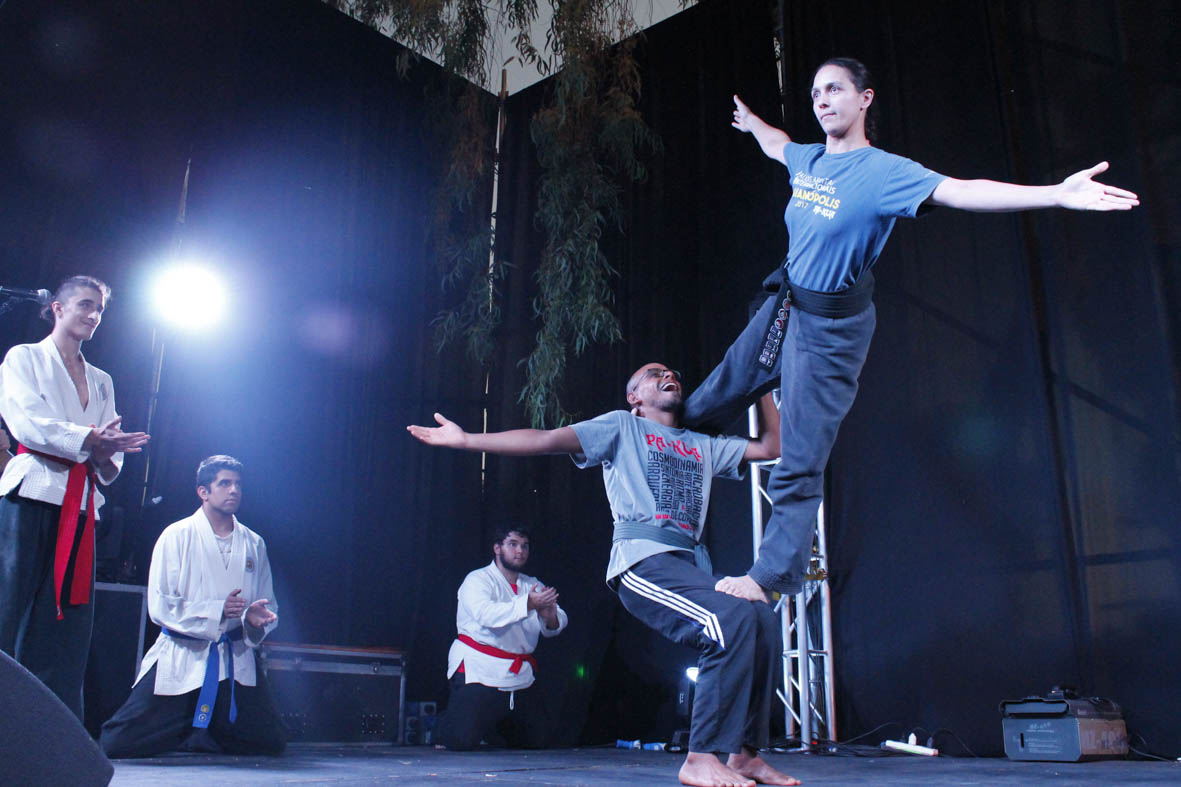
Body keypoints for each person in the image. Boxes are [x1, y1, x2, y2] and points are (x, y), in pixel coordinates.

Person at [686, 57, 1141, 604]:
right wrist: (753, 123)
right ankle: (657, 442)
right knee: (717, 390)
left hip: (831, 331)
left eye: (835, 89)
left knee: (801, 458)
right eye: (815, 93)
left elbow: (963, 191)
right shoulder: (809, 160)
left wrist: (1053, 193)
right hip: (788, 303)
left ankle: (768, 580)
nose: (822, 100)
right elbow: (776, 143)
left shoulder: (886, 172)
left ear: (865, 99)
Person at [410, 363, 798, 787]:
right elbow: (544, 440)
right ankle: (700, 757)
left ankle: (744, 754)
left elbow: (772, 446)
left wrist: (763, 387)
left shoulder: (700, 444)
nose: (667, 374)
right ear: (634, 398)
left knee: (761, 617)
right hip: (642, 562)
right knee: (729, 619)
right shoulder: (622, 428)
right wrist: (468, 439)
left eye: (671, 372)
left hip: (686, 564)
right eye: (654, 373)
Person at [0, 275, 149, 719]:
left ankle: (49, 727)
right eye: (85, 304)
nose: (94, 315)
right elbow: (27, 423)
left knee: (65, 623)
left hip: (80, 504)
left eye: (99, 309)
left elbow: (109, 445)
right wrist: (89, 438)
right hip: (31, 495)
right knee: (8, 607)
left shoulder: (102, 380)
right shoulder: (24, 358)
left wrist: (104, 450)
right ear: (58, 308)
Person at [100, 455, 286, 758]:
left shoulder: (254, 543)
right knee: (117, 742)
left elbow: (267, 604)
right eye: (224, 483)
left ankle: (208, 729)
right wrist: (217, 611)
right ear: (203, 491)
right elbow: (160, 605)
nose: (234, 490)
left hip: (233, 656)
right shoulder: (176, 536)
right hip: (184, 653)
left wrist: (253, 621)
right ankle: (187, 728)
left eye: (238, 484)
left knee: (271, 741)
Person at [437, 524, 569, 750]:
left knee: (538, 741)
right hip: (480, 669)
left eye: (525, 546)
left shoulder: (532, 584)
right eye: (513, 544)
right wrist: (528, 604)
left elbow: (557, 621)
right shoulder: (477, 580)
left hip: (518, 675)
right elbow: (487, 614)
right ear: (497, 548)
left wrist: (550, 616)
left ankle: (490, 728)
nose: (520, 551)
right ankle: (444, 724)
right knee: (462, 740)